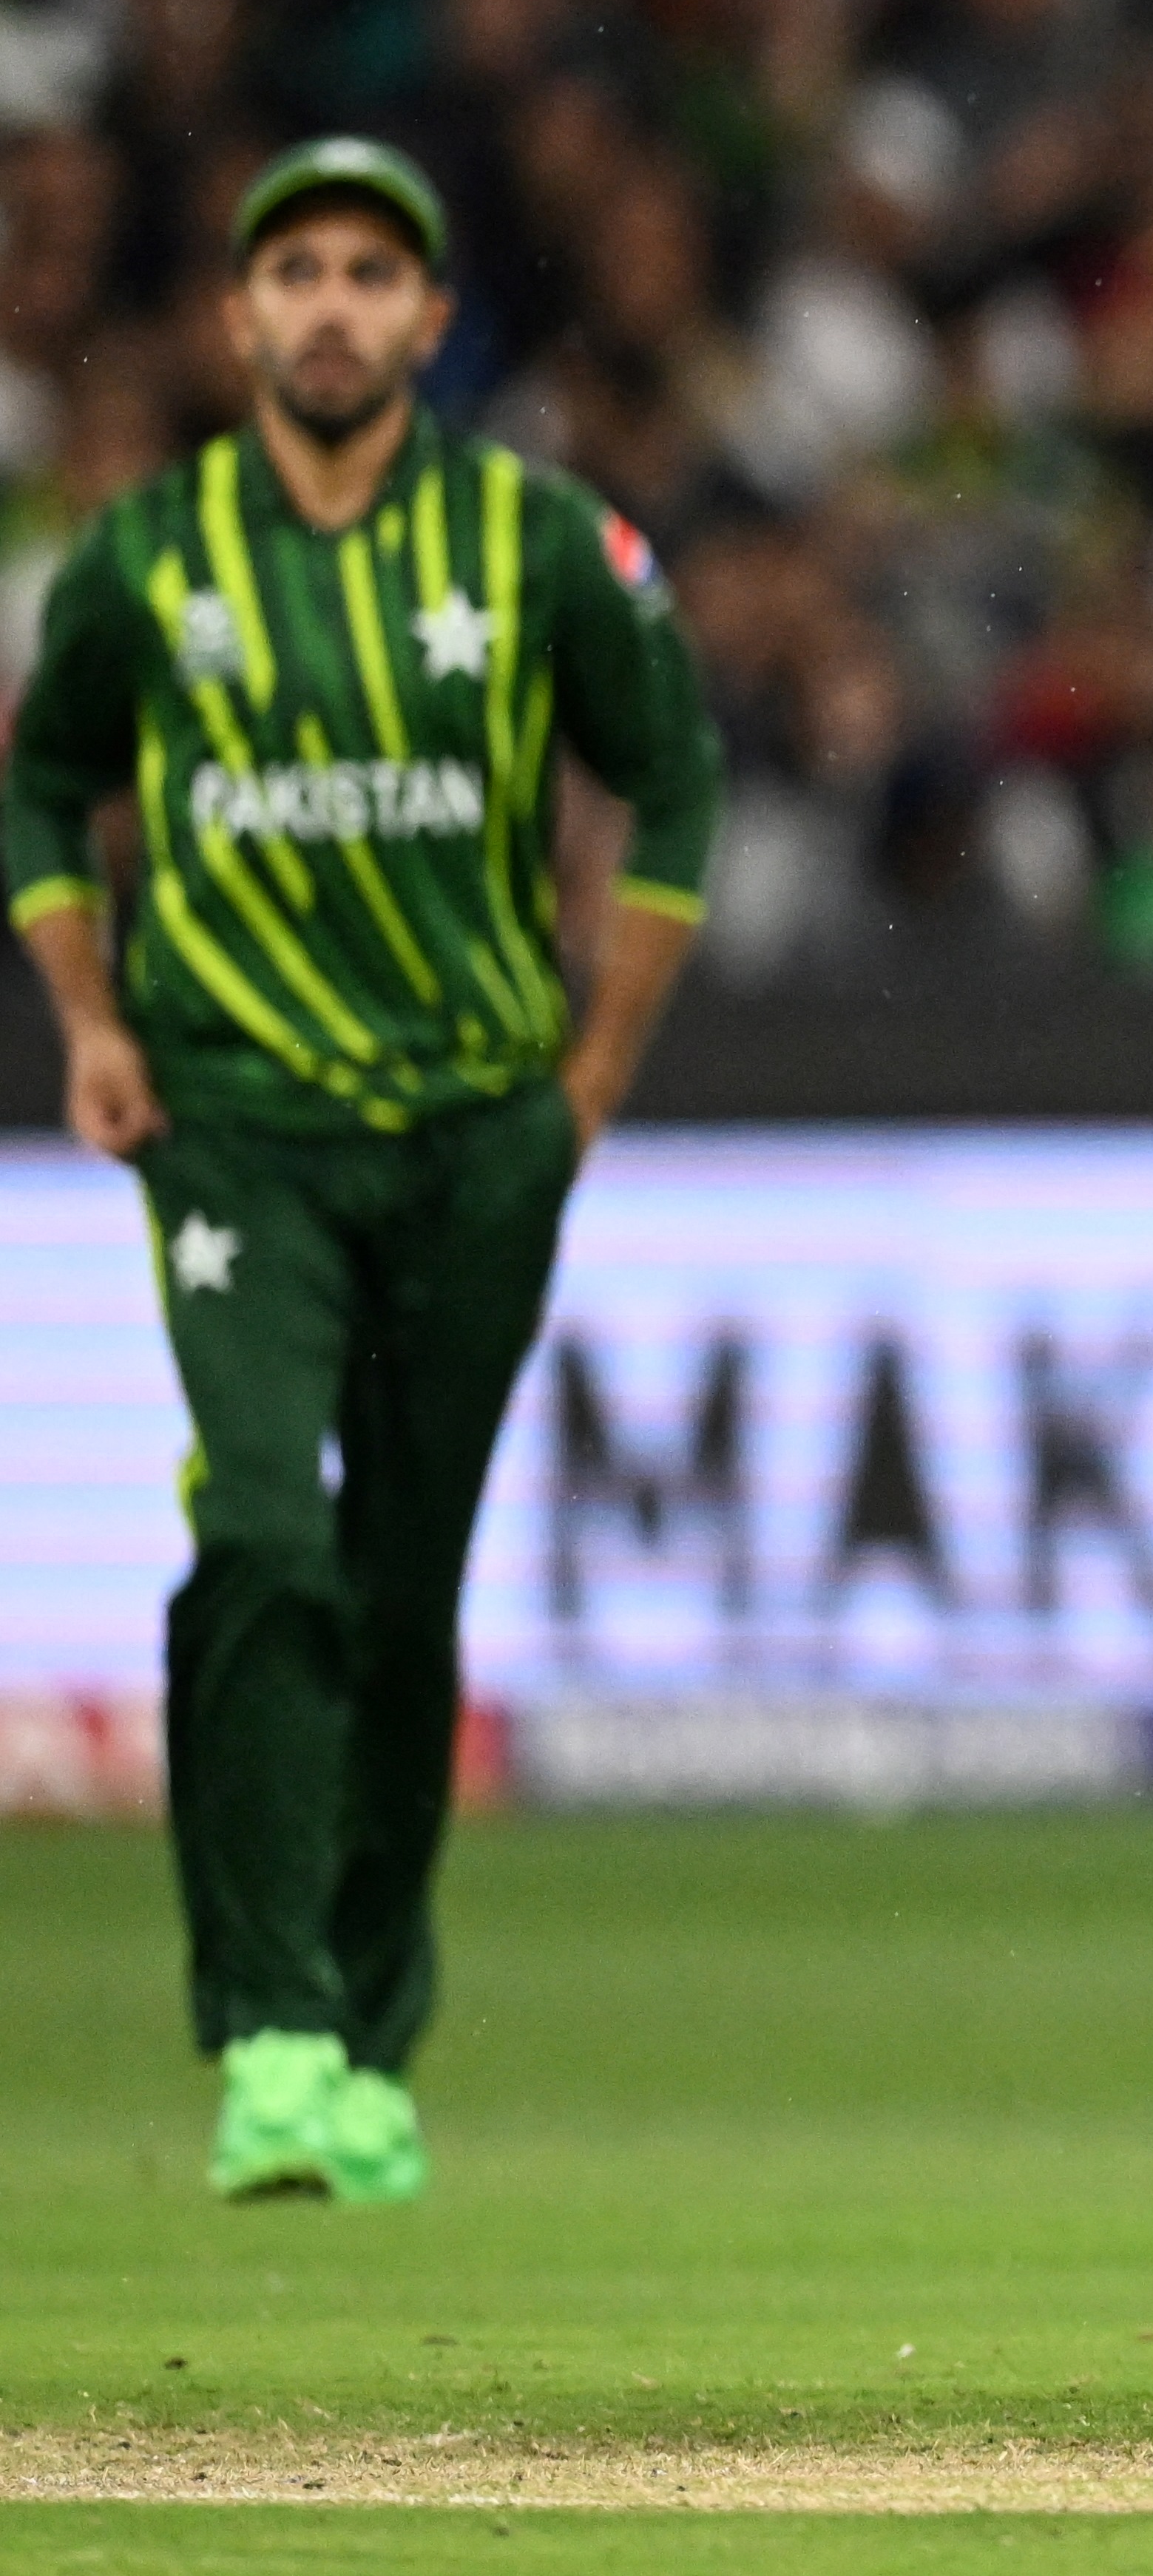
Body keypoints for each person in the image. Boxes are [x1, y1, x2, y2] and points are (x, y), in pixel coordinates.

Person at [3, 138, 717, 2205]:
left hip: (480, 1135)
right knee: (263, 1542)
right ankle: (267, 2034)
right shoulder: (143, 557)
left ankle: (366, 2038)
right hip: (235, 1132)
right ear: (238, 319)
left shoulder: (542, 542)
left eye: (368, 274)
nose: (329, 304)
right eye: (293, 270)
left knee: (403, 1597)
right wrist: (94, 1022)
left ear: (426, 319)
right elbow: (47, 791)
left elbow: (672, 774)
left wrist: (591, 1072)